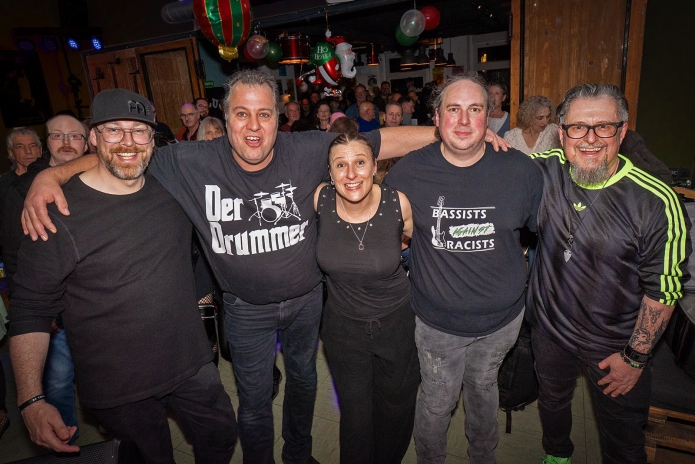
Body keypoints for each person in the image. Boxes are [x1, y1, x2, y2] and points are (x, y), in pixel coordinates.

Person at [21, 70, 508, 464]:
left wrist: (465, 134)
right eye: (241, 114)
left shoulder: (308, 149)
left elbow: (383, 141)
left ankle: (298, 455)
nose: (253, 127)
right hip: (244, 309)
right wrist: (51, 175)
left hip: (308, 303)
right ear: (225, 118)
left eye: (264, 114)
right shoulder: (187, 161)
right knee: (253, 403)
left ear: (278, 119)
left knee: (305, 383)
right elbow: (122, 153)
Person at [9, 88, 237, 461]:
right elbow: (29, 309)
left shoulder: (173, 187)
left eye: (139, 130)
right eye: (114, 129)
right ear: (94, 136)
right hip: (118, 385)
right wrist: (31, 399)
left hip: (190, 362)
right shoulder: (56, 214)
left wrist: (52, 172)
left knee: (222, 437)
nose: (128, 142)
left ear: (153, 138)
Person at [382, 72, 543, 463]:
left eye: (475, 109)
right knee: (438, 402)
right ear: (436, 118)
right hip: (438, 325)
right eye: (453, 109)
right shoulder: (409, 172)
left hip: (503, 323)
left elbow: (542, 233)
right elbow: (388, 229)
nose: (465, 120)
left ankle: (482, 457)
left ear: (490, 116)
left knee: (484, 389)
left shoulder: (521, 170)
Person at [526, 83, 691, 464]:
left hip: (616, 345)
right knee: (552, 403)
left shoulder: (655, 200)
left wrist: (634, 358)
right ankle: (557, 455)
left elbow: (664, 290)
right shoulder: (543, 170)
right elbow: (487, 162)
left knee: (623, 440)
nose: (590, 139)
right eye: (578, 127)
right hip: (550, 332)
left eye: (603, 127)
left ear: (622, 131)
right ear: (561, 133)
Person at [315, 132, 419, 464]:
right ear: (330, 172)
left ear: (375, 166)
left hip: (396, 325)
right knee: (355, 417)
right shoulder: (320, 200)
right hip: (343, 330)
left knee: (395, 409)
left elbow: (428, 250)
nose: (351, 174)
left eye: (360, 162)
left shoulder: (398, 203)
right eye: (340, 165)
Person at [2, 115, 89, 443]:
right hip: (53, 309)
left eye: (75, 136)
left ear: (87, 142)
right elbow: (14, 254)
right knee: (57, 383)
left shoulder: (99, 179)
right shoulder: (22, 190)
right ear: (47, 143)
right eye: (57, 136)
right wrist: (39, 311)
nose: (66, 143)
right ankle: (65, 443)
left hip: (94, 306)